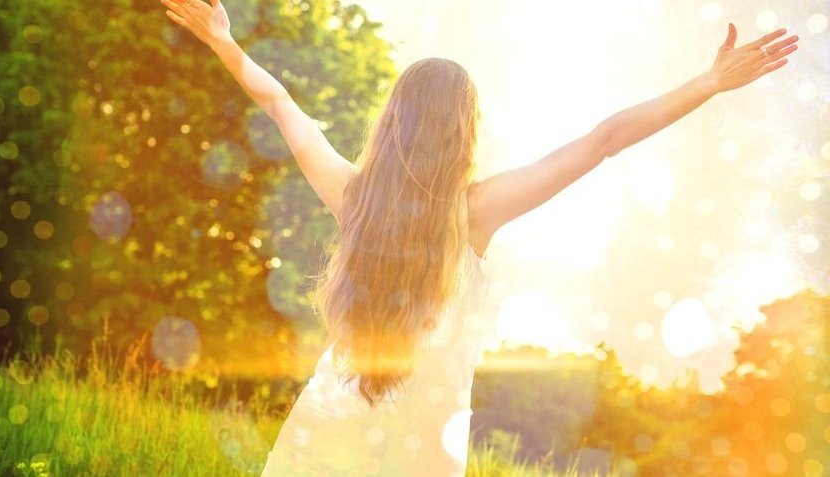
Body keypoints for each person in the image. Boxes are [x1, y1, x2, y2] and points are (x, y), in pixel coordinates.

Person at [159, 0, 799, 475]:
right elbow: (603, 139)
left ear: (393, 121)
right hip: (418, 452)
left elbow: (279, 104)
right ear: (463, 131)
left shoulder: (352, 197)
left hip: (324, 432)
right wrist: (707, 84)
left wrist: (224, 41)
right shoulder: (477, 211)